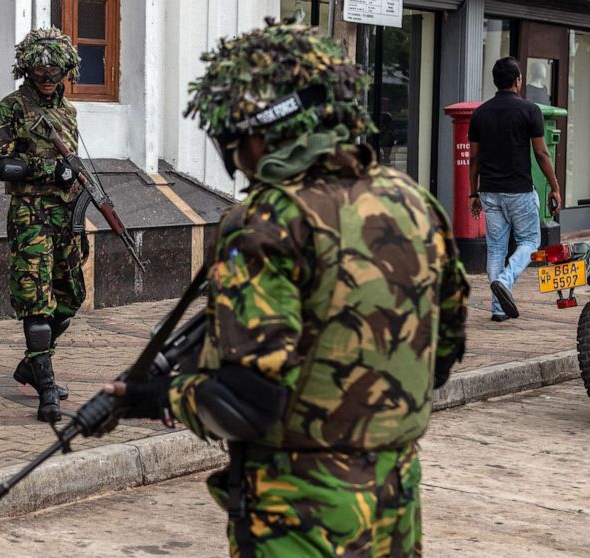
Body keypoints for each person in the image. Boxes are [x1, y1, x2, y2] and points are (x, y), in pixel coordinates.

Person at [104, 20, 470, 557]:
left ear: (262, 132)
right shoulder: (412, 202)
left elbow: (244, 403)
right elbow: (446, 347)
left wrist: (151, 398)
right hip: (395, 498)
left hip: (299, 513)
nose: (237, 161)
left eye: (233, 141)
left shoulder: (268, 220)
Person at [0, 28, 85, 423]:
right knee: (35, 299)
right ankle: (46, 387)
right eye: (39, 68)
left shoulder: (68, 112)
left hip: (66, 219)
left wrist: (79, 209)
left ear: (66, 70)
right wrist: (47, 170)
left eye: (54, 69)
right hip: (31, 219)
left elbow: (72, 170)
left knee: (71, 296)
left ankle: (30, 365)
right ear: (26, 67)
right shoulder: (11, 108)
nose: (46, 76)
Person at [469, 56, 562, 322]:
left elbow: (474, 158)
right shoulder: (529, 110)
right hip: (519, 190)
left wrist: (474, 193)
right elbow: (542, 154)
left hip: (489, 191)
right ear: (518, 80)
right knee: (530, 242)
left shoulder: (480, 113)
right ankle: (505, 279)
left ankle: (498, 309)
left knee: (496, 248)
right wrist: (554, 187)